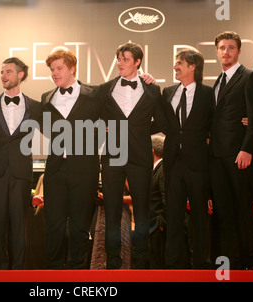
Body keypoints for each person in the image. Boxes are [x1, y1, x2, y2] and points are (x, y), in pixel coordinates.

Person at [99, 42, 163, 269]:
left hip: (140, 156)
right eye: (119, 58)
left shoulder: (153, 90)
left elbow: (163, 122)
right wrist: (102, 126)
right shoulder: (104, 89)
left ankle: (142, 260)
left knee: (143, 209)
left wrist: (140, 128)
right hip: (113, 156)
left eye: (126, 59)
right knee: (112, 209)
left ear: (137, 62)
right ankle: (113, 261)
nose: (120, 63)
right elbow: (93, 118)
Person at [41, 49, 102, 269]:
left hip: (84, 170)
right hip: (55, 170)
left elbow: (110, 122)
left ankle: (77, 274)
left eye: (59, 68)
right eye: (52, 70)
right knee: (54, 226)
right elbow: (46, 129)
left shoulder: (95, 94)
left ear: (72, 68)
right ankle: (53, 275)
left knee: (79, 227)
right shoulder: (46, 98)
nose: (54, 73)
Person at [209, 31, 253, 269]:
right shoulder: (217, 82)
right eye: (222, 48)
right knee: (225, 214)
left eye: (231, 48)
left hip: (239, 156)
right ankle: (231, 264)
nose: (226, 52)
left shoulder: (250, 77)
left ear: (239, 51)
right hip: (217, 158)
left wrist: (247, 149)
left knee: (243, 212)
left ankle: (250, 265)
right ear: (217, 52)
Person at [0, 57, 41, 270]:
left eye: (8, 72)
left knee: (20, 226)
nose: (3, 76)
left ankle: (20, 271)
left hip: (21, 172)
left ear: (20, 75)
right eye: (2, 72)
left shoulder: (36, 106)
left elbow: (55, 131)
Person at [161, 49, 214, 269]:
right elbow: (162, 123)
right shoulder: (167, 92)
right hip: (173, 163)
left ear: (193, 67)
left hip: (199, 164)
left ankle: (201, 263)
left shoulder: (208, 94)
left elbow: (215, 125)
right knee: (173, 217)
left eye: (179, 63)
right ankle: (173, 265)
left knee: (200, 217)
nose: (175, 67)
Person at [148, 134, 166, 269]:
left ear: (152, 151)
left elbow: (167, 199)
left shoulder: (163, 170)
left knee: (158, 264)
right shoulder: (157, 169)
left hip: (159, 226)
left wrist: (161, 223)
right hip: (154, 225)